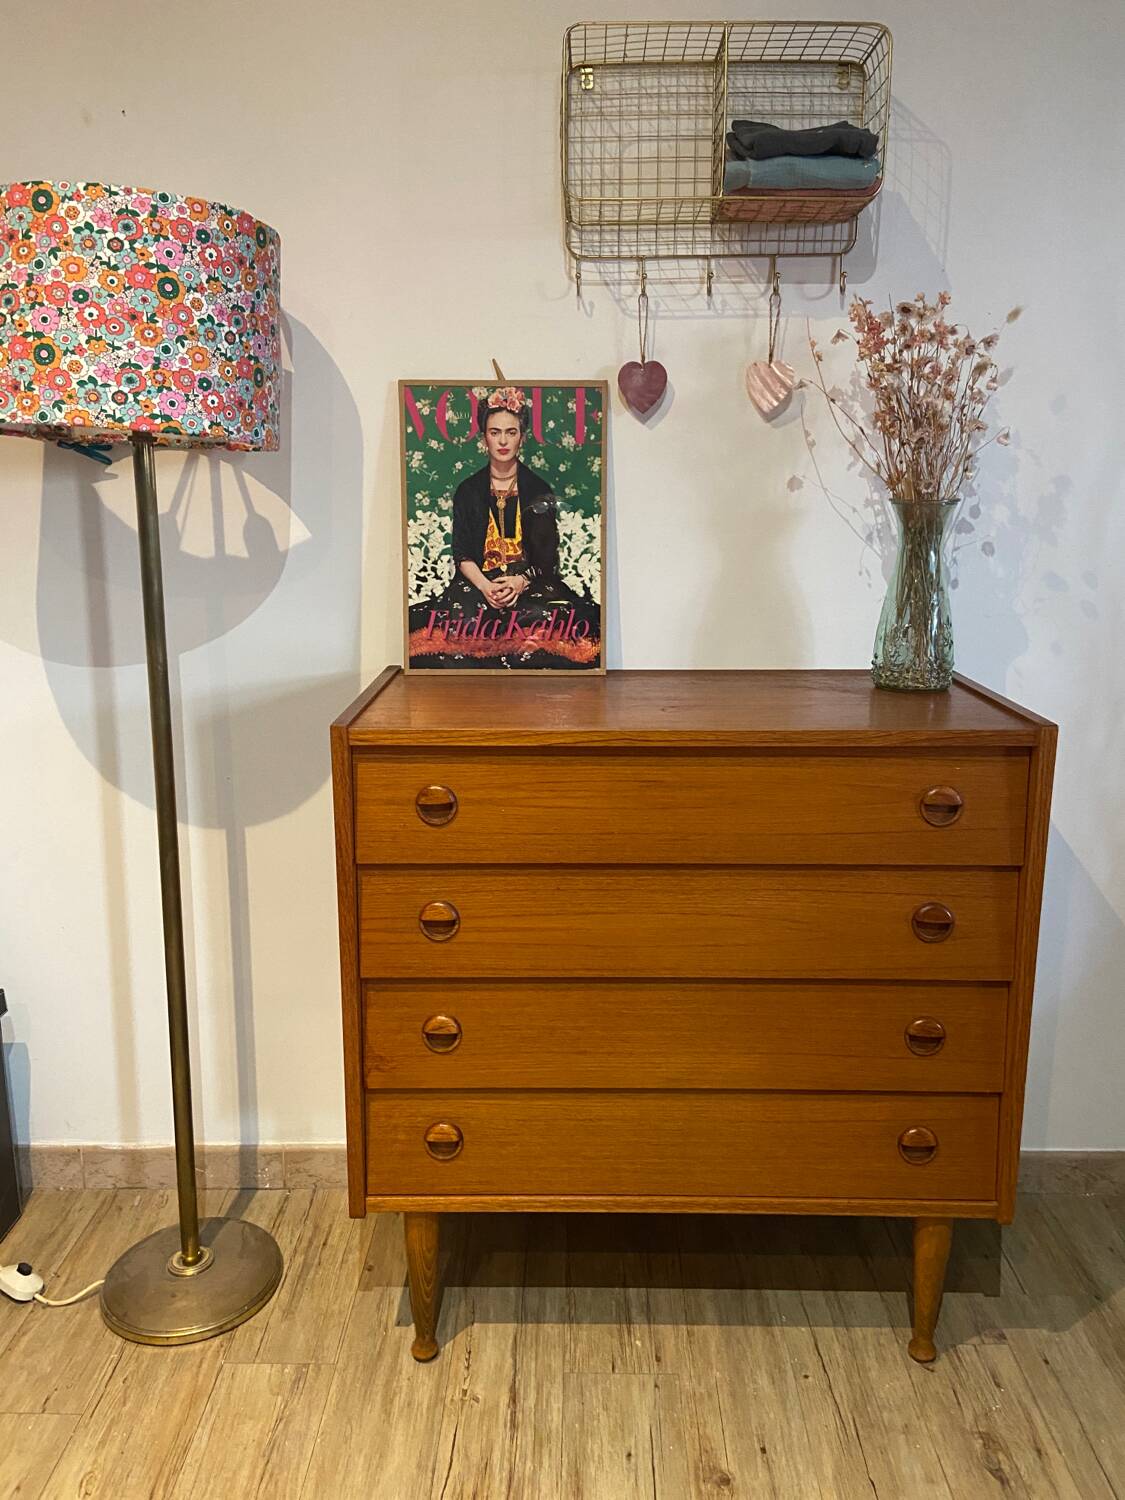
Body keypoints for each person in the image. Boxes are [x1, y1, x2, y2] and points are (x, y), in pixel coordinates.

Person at [407, 386, 600, 669]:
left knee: (548, 620)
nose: (503, 441)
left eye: (511, 432)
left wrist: (519, 582)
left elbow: (546, 558)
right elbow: (462, 554)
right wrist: (486, 586)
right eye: (494, 432)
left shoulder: (538, 489)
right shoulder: (468, 490)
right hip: (479, 584)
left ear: (522, 436)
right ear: (484, 437)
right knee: (463, 621)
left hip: (528, 583)